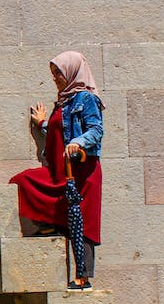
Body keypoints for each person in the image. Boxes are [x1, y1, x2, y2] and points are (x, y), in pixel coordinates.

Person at [9, 51, 104, 291]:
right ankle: (48, 225)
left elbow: (96, 130)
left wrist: (79, 143)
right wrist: (42, 124)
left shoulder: (86, 99)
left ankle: (84, 278)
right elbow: (58, 134)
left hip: (82, 170)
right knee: (22, 181)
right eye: (53, 74)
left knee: (82, 222)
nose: (55, 78)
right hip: (60, 172)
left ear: (72, 72)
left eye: (58, 73)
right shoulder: (64, 100)